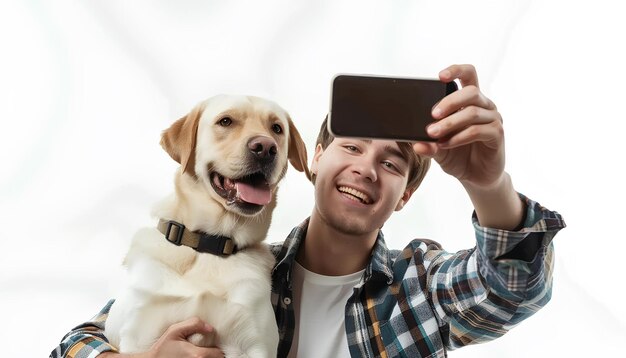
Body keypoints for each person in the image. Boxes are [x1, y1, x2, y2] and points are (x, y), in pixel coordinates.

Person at [50, 64, 565, 358]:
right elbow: (79, 342)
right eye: (352, 146)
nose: (367, 167)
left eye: (392, 162)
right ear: (314, 158)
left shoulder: (419, 287)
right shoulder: (233, 269)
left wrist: (489, 182)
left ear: (406, 194)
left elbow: (513, 289)